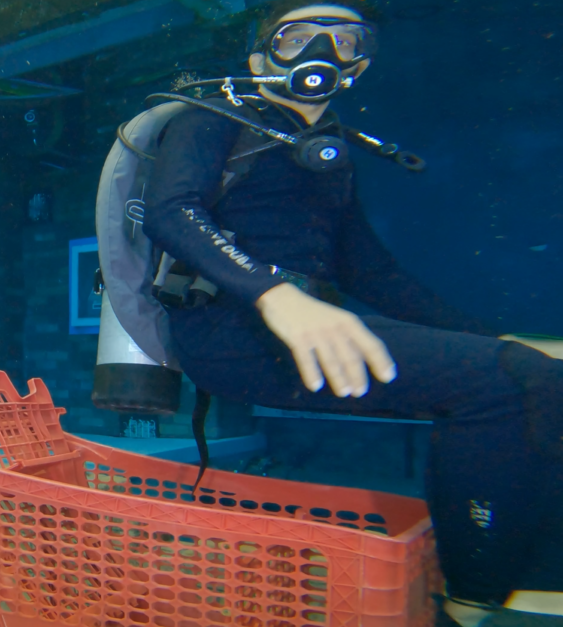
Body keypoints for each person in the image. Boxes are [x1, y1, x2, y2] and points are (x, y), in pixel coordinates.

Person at [137, 1, 563, 625]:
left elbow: (374, 273)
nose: (323, 54)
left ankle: (531, 585)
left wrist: (500, 338)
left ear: (361, 62)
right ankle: (478, 599)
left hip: (314, 331)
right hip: (232, 333)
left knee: (534, 378)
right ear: (261, 58)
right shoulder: (213, 118)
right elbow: (172, 211)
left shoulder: (327, 152)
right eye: (299, 38)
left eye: (345, 40)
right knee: (502, 384)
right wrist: (274, 296)